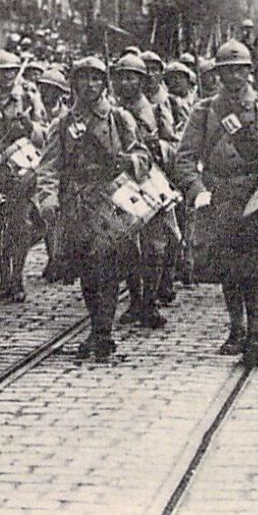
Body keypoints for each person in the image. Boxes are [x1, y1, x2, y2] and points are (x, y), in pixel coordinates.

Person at [174, 40, 258, 367]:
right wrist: (197, 190)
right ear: (218, 74)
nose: (234, 76)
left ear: (249, 71)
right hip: (220, 195)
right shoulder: (204, 110)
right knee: (227, 266)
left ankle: (255, 332)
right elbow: (184, 160)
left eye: (240, 69)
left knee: (257, 265)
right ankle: (236, 327)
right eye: (227, 70)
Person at [34, 56, 151, 362]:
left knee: (107, 266)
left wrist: (129, 161)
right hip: (77, 203)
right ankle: (99, 327)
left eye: (96, 79)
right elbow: (48, 166)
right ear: (73, 84)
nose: (90, 85)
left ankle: (103, 332)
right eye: (83, 78)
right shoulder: (62, 124)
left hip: (112, 201)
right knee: (86, 270)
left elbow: (143, 156)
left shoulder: (119, 118)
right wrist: (48, 198)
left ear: (104, 84)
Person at [112, 51, 179, 327]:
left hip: (152, 179)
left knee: (156, 246)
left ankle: (150, 300)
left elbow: (173, 144)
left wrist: (158, 148)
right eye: (122, 78)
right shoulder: (110, 110)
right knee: (127, 244)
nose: (127, 83)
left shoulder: (157, 108)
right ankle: (135, 299)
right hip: (121, 181)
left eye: (133, 78)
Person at [0, 49, 47, 302]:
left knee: (19, 226)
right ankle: (4, 278)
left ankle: (17, 278)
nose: (6, 77)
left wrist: (28, 124)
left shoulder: (27, 97)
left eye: (10, 72)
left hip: (22, 171)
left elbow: (44, 133)